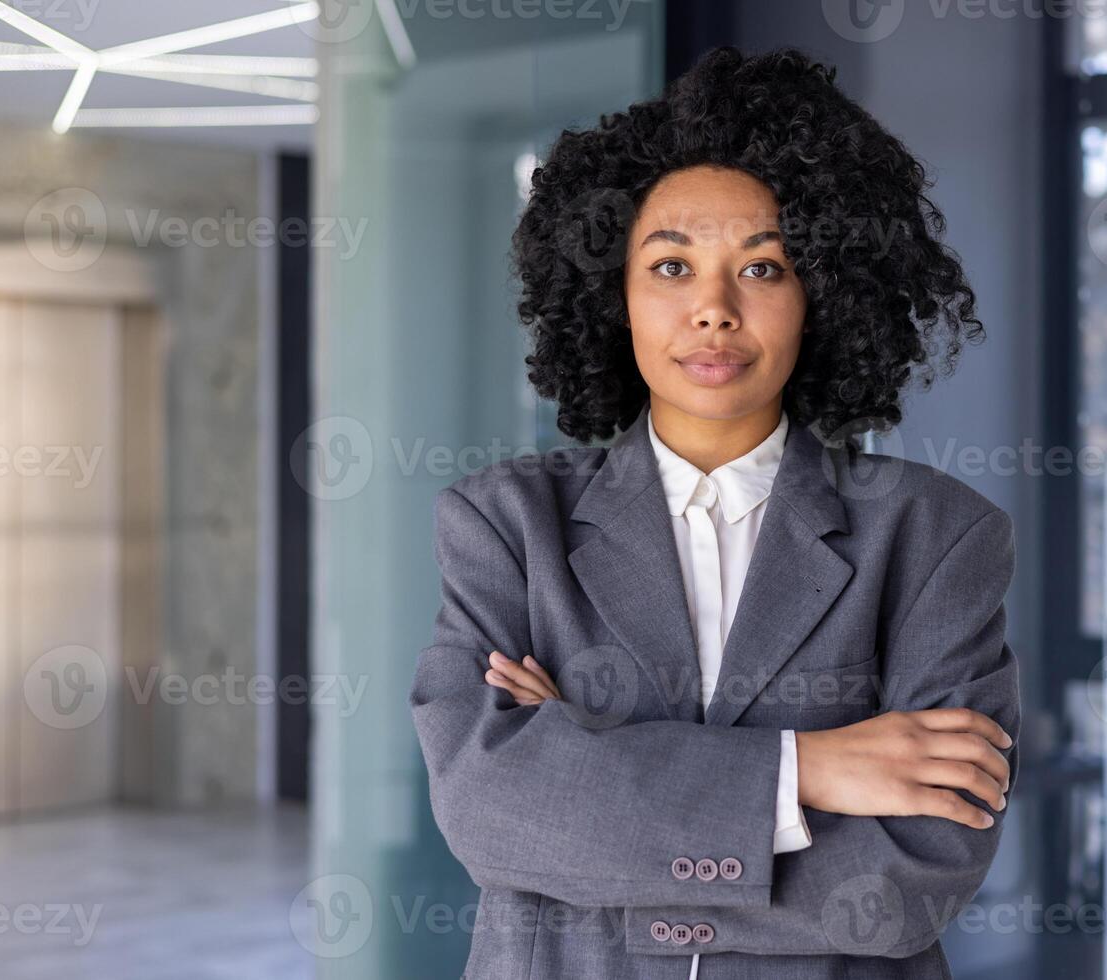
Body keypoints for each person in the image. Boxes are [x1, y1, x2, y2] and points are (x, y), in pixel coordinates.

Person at [410, 46, 1020, 980]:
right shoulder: (505, 525)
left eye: (764, 268)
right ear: (613, 292)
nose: (714, 310)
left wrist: (595, 782)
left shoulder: (936, 538)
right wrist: (806, 770)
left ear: (821, 297)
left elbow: (908, 884)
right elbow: (494, 814)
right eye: (670, 266)